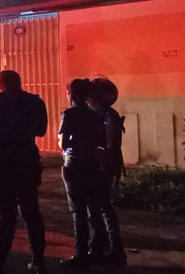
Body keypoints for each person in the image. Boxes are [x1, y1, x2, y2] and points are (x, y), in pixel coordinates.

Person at [0, 70, 48, 274]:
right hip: (27, 157)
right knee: (31, 211)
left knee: (5, 212)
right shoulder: (35, 101)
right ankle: (38, 262)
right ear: (19, 82)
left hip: (1, 158)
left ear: (0, 84)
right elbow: (41, 130)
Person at [58, 78, 106, 269]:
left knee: (78, 211)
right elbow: (102, 142)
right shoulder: (96, 116)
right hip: (92, 164)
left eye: (68, 92)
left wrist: (63, 142)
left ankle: (81, 254)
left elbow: (64, 144)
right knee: (94, 208)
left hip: (74, 164)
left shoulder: (69, 115)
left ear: (73, 95)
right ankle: (97, 250)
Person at [87, 78, 127, 265]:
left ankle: (115, 248)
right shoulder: (101, 116)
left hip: (102, 167)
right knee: (96, 208)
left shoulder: (108, 117)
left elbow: (111, 147)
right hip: (98, 166)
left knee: (103, 206)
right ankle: (100, 245)